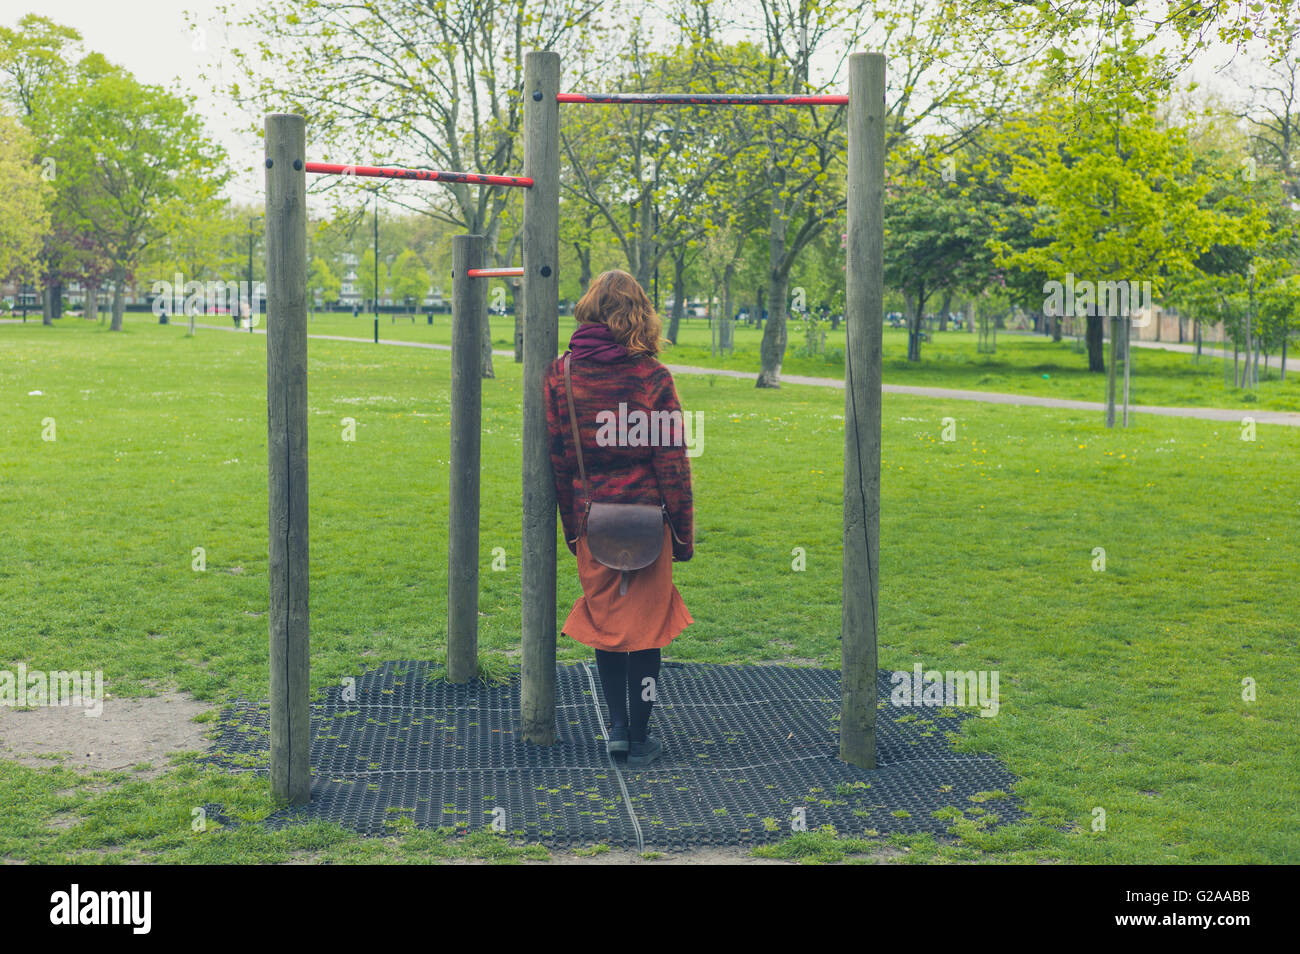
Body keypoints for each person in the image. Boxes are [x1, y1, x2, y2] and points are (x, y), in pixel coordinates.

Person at [543, 270, 694, 767]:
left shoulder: (560, 374)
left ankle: (617, 728)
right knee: (647, 633)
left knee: (609, 628)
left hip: (594, 520)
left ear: (589, 308)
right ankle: (643, 733)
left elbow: (561, 460)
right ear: (641, 314)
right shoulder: (652, 377)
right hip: (650, 520)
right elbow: (671, 461)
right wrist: (684, 533)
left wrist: (572, 527)